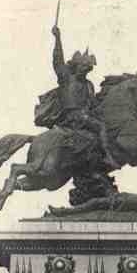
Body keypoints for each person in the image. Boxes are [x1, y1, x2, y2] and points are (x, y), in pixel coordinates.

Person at [34, 24, 118, 170]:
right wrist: (57, 38)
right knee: (101, 127)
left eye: (87, 69)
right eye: (82, 67)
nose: (84, 70)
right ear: (76, 66)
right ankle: (107, 157)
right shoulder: (66, 77)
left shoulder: (88, 85)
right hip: (72, 117)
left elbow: (93, 104)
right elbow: (57, 60)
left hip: (83, 117)